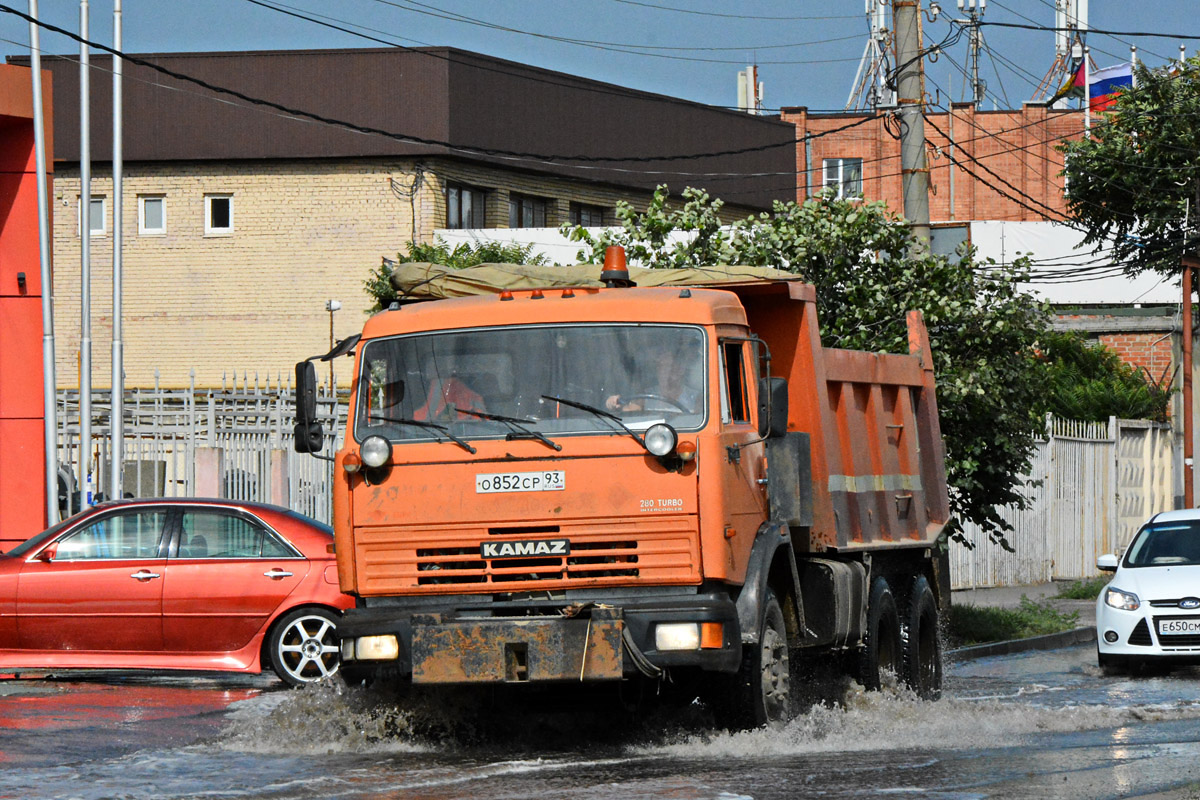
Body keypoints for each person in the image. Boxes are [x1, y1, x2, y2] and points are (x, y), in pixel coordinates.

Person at [605, 344, 700, 414]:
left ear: (681, 370)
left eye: (671, 367)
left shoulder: (695, 398)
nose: (666, 373)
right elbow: (631, 411)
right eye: (662, 367)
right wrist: (616, 405)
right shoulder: (645, 396)